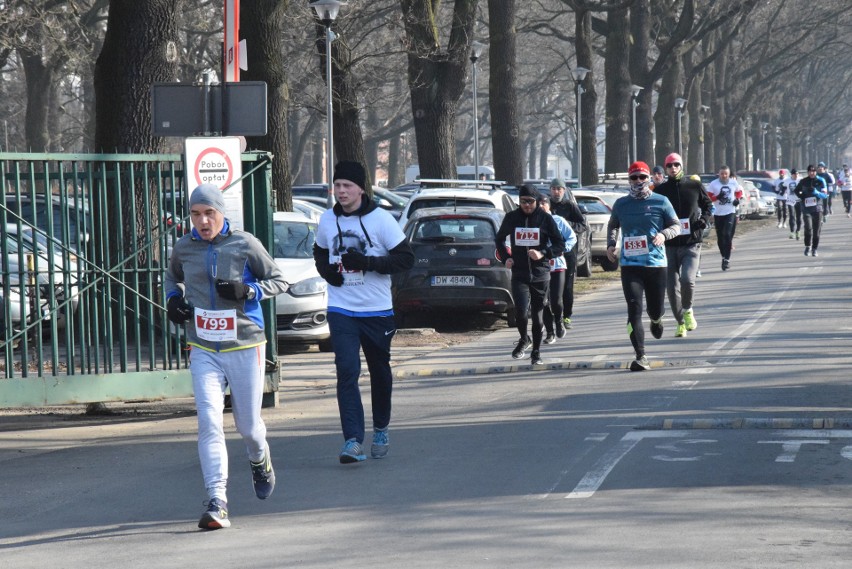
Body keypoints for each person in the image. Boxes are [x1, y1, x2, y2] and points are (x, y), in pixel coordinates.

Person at [165, 183, 291, 530]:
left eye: (209, 213)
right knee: (208, 422)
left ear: (222, 214)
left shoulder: (244, 243)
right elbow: (170, 278)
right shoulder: (184, 247)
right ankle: (217, 500)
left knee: (248, 428)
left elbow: (280, 280)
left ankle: (259, 458)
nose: (203, 221)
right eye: (195, 214)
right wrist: (173, 300)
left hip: (244, 344)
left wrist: (249, 290)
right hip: (204, 347)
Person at [313, 160, 415, 464]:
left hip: (377, 310)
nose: (341, 191)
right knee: (346, 370)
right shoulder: (327, 221)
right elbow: (319, 251)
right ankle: (353, 441)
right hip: (341, 308)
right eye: (337, 185)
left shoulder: (381, 220)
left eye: (347, 186)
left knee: (379, 371)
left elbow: (405, 259)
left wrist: (368, 263)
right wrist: (327, 272)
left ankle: (381, 427)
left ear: (360, 189)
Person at [606, 162, 681, 371]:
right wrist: (611, 245)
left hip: (656, 264)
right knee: (634, 310)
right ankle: (640, 355)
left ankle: (656, 319)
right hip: (630, 265)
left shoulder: (661, 201)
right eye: (634, 178)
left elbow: (677, 225)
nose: (638, 181)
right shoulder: (621, 204)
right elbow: (613, 225)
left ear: (649, 178)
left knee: (654, 308)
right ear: (629, 180)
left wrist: (663, 235)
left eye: (642, 177)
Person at [496, 185, 566, 365]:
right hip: (519, 272)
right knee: (520, 311)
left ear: (537, 201)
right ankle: (523, 339)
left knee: (537, 315)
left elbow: (560, 244)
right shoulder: (512, 217)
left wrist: (543, 253)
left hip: (541, 273)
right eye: (523, 202)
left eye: (530, 201)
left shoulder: (545, 218)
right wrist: (506, 258)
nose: (526, 205)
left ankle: (536, 351)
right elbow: (499, 239)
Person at [652, 152, 713, 338]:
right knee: (671, 288)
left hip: (691, 242)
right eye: (669, 166)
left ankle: (687, 310)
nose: (673, 168)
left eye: (676, 165)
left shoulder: (694, 185)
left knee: (687, 280)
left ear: (681, 166)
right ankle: (680, 322)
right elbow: (654, 213)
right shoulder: (660, 190)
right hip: (669, 245)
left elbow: (709, 205)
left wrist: (704, 220)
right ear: (666, 168)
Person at [548, 178, 589, 331]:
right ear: (550, 190)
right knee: (549, 285)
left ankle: (567, 316)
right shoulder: (546, 206)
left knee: (567, 286)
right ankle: (553, 315)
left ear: (564, 191)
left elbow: (582, 224)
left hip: (568, 252)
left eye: (559, 189)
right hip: (550, 253)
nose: (556, 192)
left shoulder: (570, 206)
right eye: (553, 189)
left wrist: (566, 225)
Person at [538, 194, 577, 344]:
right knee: (544, 301)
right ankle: (550, 332)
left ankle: (559, 321)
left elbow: (572, 237)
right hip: (541, 267)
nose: (541, 205)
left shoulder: (558, 221)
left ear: (549, 206)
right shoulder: (533, 223)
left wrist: (562, 249)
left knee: (556, 300)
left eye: (544, 203)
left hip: (557, 265)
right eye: (539, 203)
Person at [705, 165, 744, 271]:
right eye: (722, 174)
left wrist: (737, 199)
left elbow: (739, 192)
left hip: (730, 212)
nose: (724, 176)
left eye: (726, 174)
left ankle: (727, 259)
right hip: (718, 213)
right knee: (720, 238)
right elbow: (708, 197)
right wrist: (717, 197)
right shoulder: (714, 184)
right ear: (719, 174)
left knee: (727, 235)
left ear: (728, 174)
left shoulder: (733, 182)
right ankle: (723, 256)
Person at [794, 164, 828, 256]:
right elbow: (796, 190)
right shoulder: (803, 181)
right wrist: (802, 196)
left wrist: (816, 193)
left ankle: (814, 249)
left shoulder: (821, 181)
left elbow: (825, 195)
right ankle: (807, 246)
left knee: (816, 231)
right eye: (810, 171)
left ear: (815, 172)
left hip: (817, 208)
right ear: (808, 172)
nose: (812, 173)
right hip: (806, 208)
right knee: (808, 228)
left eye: (813, 171)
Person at [778, 169, 801, 239]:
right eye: (795, 174)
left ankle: (798, 231)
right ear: (792, 175)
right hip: (790, 200)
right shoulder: (787, 181)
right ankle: (792, 232)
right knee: (792, 216)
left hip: (799, 200)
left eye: (797, 174)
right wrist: (782, 191)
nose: (796, 176)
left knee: (799, 217)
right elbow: (782, 185)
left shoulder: (800, 180)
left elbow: (805, 187)